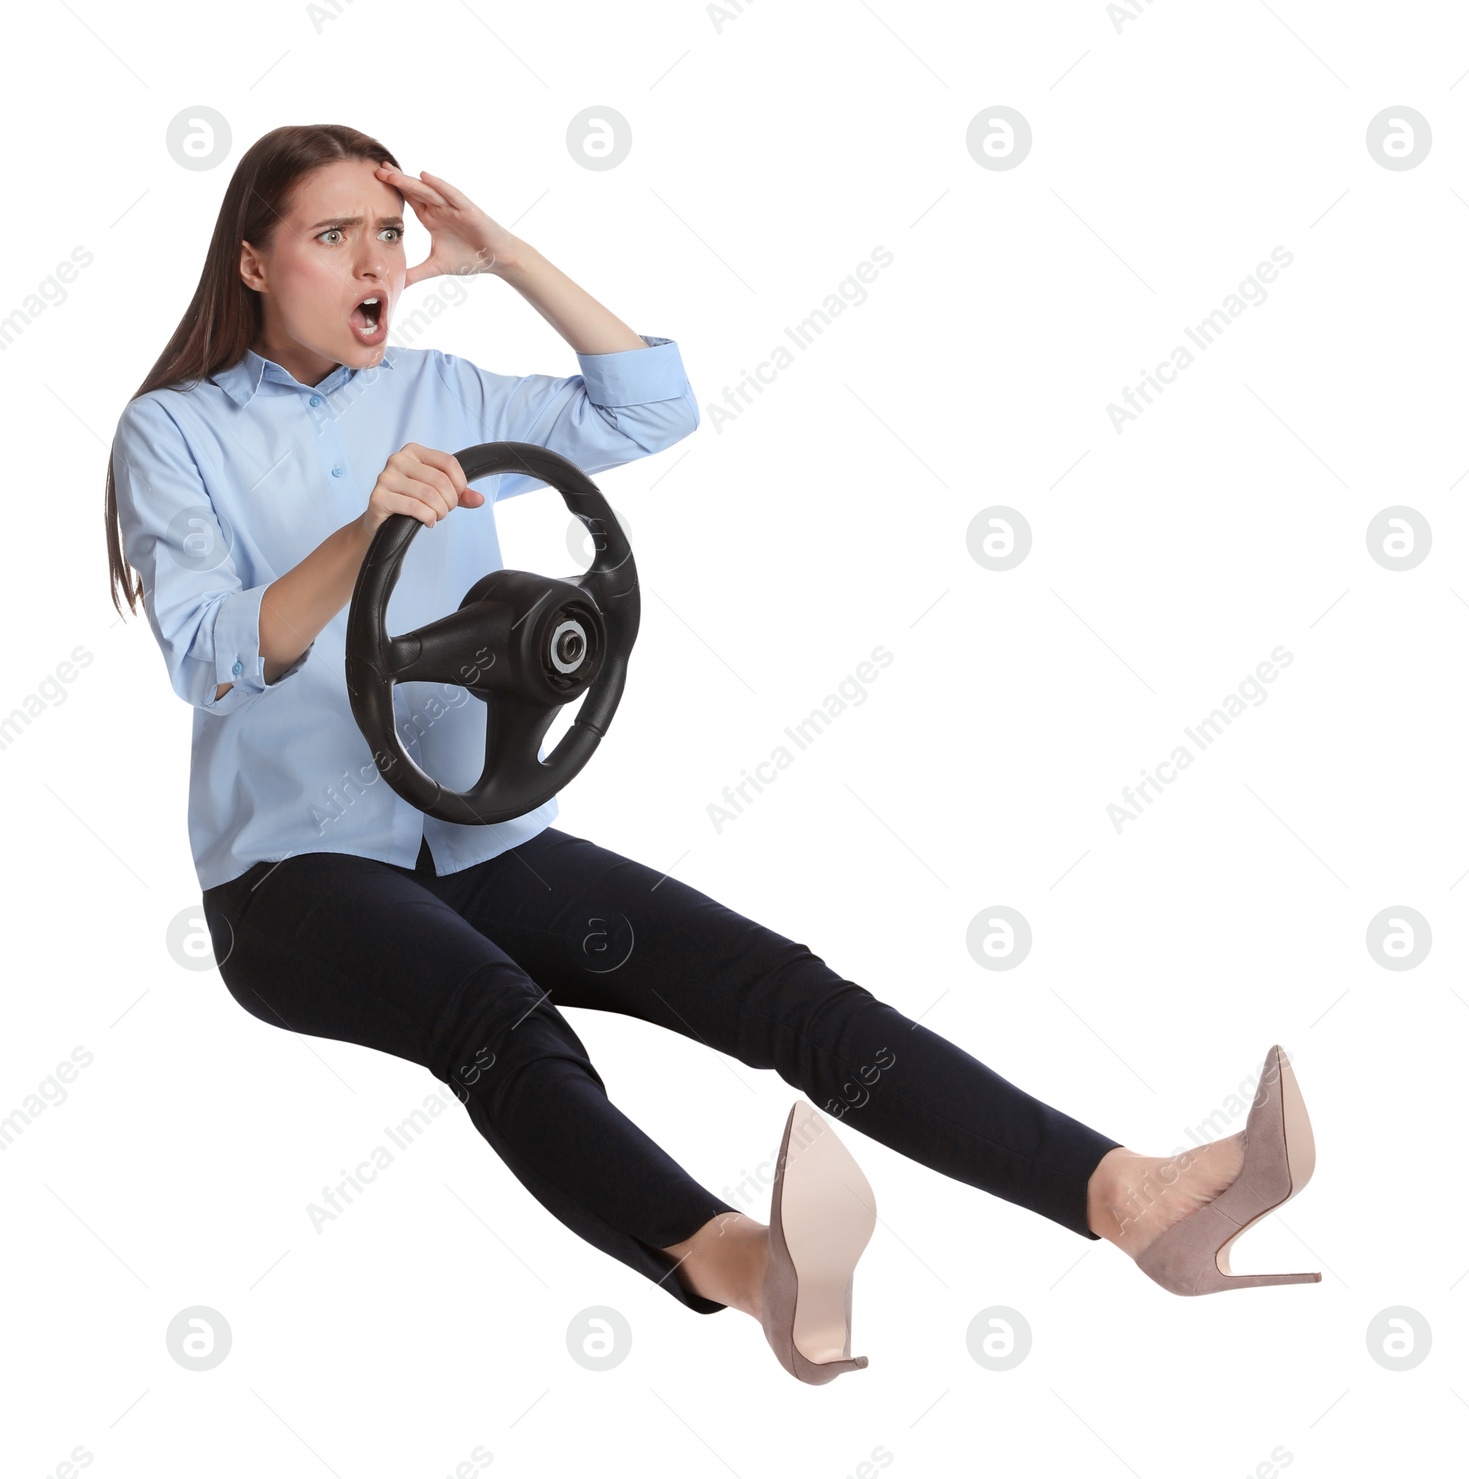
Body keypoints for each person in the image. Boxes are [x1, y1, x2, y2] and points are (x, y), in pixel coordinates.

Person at [106, 123, 1321, 1386]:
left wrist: (507, 256)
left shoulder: (440, 390)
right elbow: (209, 652)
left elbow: (649, 407)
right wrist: (368, 528)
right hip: (291, 881)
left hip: (475, 838)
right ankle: (750, 1269)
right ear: (252, 261)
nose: (375, 262)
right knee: (498, 1020)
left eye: (389, 234)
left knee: (776, 987)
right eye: (331, 235)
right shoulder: (175, 432)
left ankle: (1130, 1199)